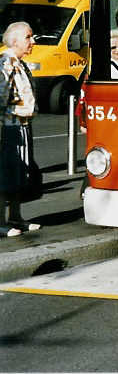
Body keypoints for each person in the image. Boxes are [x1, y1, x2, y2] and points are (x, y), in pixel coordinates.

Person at [0, 21, 41, 237]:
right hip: (8, 128)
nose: (32, 41)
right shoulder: (5, 64)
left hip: (22, 126)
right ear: (14, 40)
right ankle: (0, 222)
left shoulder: (20, 63)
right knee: (5, 174)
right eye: (28, 37)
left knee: (20, 172)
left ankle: (15, 216)